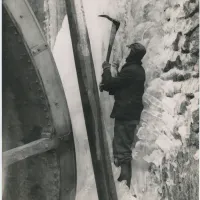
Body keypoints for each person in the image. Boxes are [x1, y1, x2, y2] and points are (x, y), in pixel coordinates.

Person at [100, 43, 146, 188]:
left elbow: (111, 84)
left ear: (133, 54)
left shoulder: (131, 70)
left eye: (130, 50)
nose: (128, 53)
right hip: (130, 113)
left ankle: (124, 184)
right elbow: (123, 88)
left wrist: (106, 70)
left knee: (122, 149)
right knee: (122, 145)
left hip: (126, 114)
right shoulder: (138, 70)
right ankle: (124, 181)